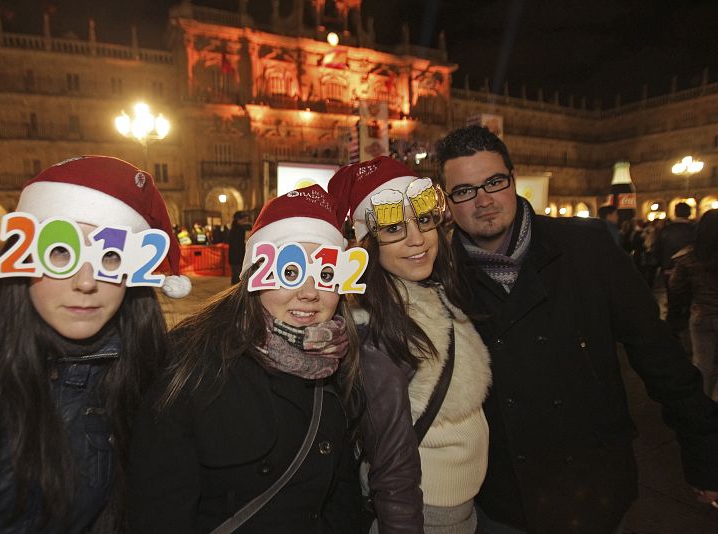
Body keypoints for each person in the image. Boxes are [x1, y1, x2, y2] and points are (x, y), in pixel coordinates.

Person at [436, 125, 718, 534]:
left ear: (513, 180)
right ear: (447, 201)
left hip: (593, 483)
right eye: (464, 190)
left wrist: (706, 453)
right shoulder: (439, 273)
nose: (483, 201)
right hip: (500, 494)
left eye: (493, 182)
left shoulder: (588, 249)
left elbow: (659, 357)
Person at [0, 156, 191, 533]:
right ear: (22, 253)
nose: (85, 282)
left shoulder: (142, 372)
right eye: (61, 251)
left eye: (110, 257)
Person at [127, 185, 363, 533]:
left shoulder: (340, 359)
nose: (311, 292)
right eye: (290, 272)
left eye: (326, 275)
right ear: (254, 276)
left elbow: (341, 500)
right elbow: (158, 511)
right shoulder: (190, 365)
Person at [328, 157, 491, 534]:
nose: (416, 239)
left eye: (423, 221)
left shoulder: (432, 292)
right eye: (394, 229)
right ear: (367, 243)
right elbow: (389, 458)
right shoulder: (375, 326)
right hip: (422, 515)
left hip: (459, 509)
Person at [668, 209, 718, 401]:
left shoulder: (689, 256)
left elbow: (675, 286)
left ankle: (703, 407)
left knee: (702, 364)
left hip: (701, 316)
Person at [228, 210, 251, 284]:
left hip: (234, 257)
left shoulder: (233, 228)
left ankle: (233, 293)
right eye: (243, 219)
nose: (245, 221)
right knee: (238, 278)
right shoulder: (239, 229)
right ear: (238, 219)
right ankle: (236, 294)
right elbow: (238, 245)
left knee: (235, 277)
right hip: (237, 257)